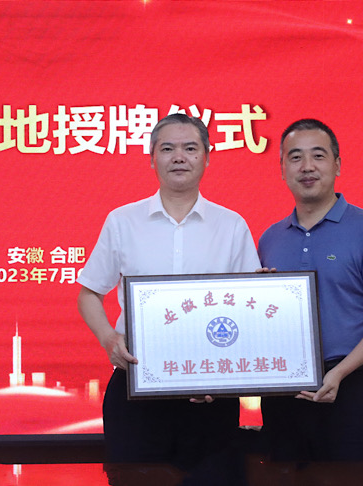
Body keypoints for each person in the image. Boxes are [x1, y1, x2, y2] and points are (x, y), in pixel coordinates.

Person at [76, 113, 260, 476]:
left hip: (210, 393)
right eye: (167, 149)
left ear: (206, 157)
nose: (179, 157)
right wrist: (109, 338)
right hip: (136, 388)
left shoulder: (231, 225)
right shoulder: (122, 221)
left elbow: (248, 307)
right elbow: (89, 294)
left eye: (190, 148)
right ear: (151, 158)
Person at [258, 118, 363, 462]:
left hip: (349, 388)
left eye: (318, 156)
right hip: (283, 391)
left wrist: (339, 373)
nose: (307, 166)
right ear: (282, 169)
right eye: (295, 157)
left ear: (337, 165)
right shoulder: (269, 238)